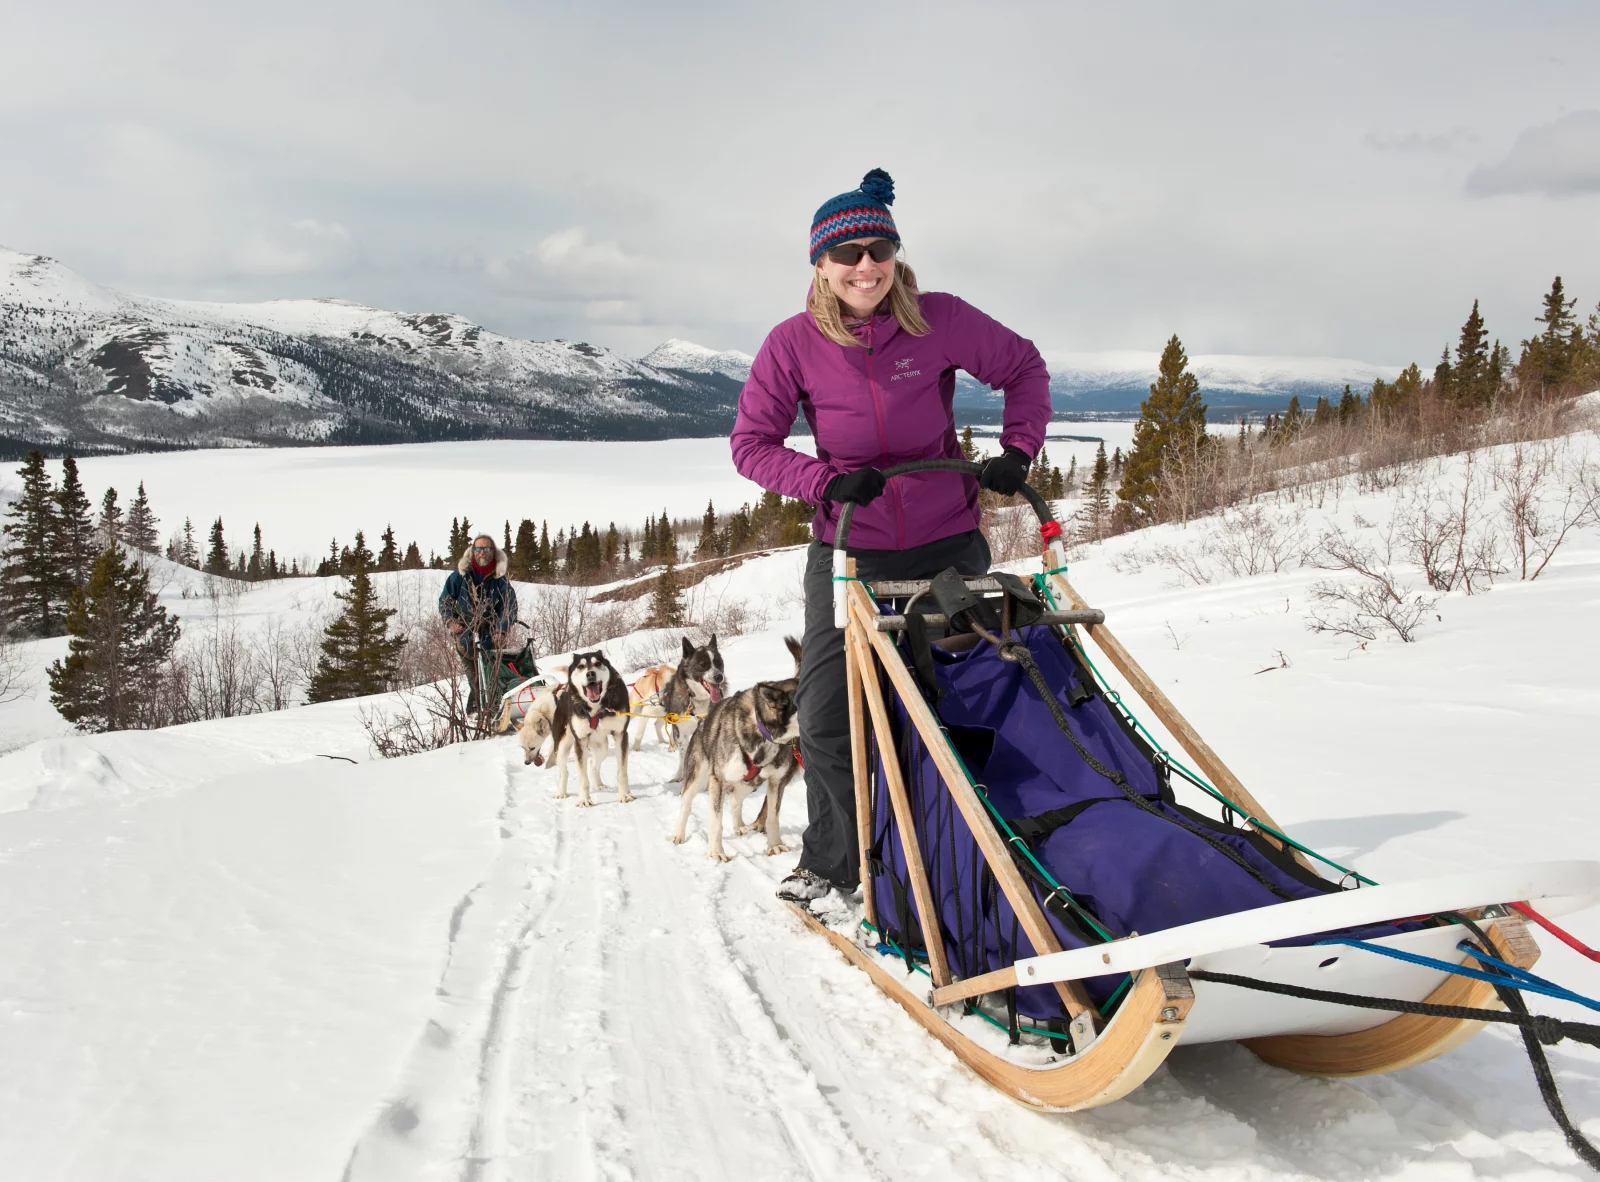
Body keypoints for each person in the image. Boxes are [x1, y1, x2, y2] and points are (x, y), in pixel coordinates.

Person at [730, 168, 1051, 906]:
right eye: (847, 255)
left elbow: (1023, 368)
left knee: (962, 698)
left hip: (946, 540)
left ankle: (974, 850)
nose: (865, 265)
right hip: (852, 549)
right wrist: (823, 482)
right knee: (829, 712)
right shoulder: (792, 344)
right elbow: (751, 444)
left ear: (896, 255)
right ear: (821, 264)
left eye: (879, 249)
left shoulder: (937, 318)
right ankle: (836, 862)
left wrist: (1017, 449)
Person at [438, 533, 518, 713]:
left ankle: (491, 709)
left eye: (487, 549)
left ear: (493, 551)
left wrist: (501, 629)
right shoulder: (460, 575)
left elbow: (509, 605)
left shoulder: (500, 578)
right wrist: (451, 621)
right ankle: (476, 711)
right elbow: (445, 600)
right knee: (474, 673)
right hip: (465, 630)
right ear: (473, 551)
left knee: (491, 670)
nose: (482, 552)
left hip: (491, 630)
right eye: (479, 549)